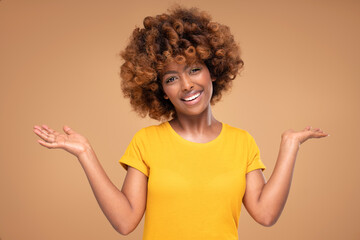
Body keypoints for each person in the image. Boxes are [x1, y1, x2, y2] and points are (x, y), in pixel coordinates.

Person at [33, 6, 328, 240]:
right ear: (161, 89)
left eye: (194, 69)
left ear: (213, 71)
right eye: (172, 78)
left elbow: (265, 215)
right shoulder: (147, 141)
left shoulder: (242, 142)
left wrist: (290, 146)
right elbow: (125, 222)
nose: (186, 85)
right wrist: (85, 153)